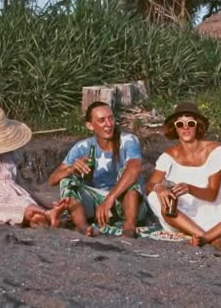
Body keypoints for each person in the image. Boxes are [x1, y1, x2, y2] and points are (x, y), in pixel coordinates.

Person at [146, 102, 221, 251]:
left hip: (218, 216)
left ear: (198, 125)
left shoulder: (215, 150)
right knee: (153, 197)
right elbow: (149, 184)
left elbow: (211, 194)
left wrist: (190, 188)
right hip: (182, 218)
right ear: (175, 128)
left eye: (190, 123)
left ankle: (204, 236)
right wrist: (159, 187)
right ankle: (211, 237)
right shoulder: (168, 156)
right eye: (180, 124)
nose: (185, 127)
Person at [48, 101, 147, 238]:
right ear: (90, 126)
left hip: (126, 203)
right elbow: (52, 180)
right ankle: (83, 227)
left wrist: (110, 198)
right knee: (67, 180)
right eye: (101, 120)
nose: (108, 124)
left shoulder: (128, 140)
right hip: (97, 204)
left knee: (128, 173)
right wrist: (71, 169)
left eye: (111, 118)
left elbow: (134, 168)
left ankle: (129, 227)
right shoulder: (83, 147)